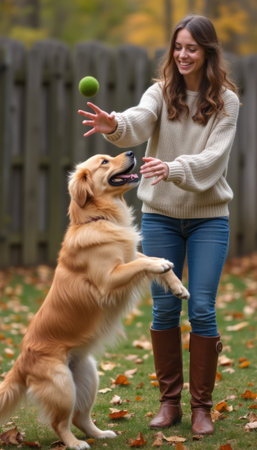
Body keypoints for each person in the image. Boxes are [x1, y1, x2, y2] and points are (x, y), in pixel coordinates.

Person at [78, 15, 239, 435]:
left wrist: (172, 167)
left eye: (192, 48)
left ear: (207, 53)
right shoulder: (160, 91)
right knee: (165, 305)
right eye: (178, 47)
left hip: (208, 221)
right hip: (161, 218)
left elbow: (213, 160)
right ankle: (170, 404)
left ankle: (201, 407)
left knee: (201, 308)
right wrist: (115, 125)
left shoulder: (226, 102)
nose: (183, 55)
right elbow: (139, 118)